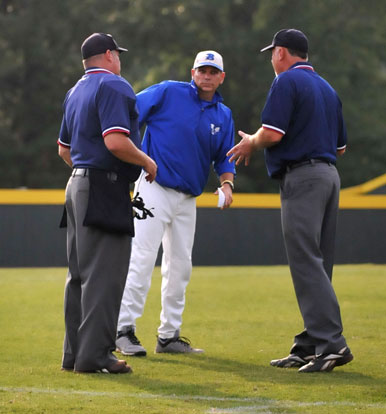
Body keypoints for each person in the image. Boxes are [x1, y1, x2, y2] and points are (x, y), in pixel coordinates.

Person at [227, 29, 353, 373]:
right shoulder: (327, 88)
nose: (271, 58)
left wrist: (250, 142)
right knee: (319, 263)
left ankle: (331, 344)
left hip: (303, 176)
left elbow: (273, 133)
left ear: (282, 52)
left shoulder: (286, 82)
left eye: (273, 52)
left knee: (306, 261)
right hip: (329, 175)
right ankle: (310, 344)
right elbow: (341, 146)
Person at [115, 50, 236, 356]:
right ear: (192, 72)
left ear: (221, 77)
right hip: (154, 188)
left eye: (213, 72)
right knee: (141, 259)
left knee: (180, 267)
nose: (206, 76)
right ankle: (122, 329)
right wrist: (135, 156)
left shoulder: (223, 114)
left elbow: (224, 156)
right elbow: (129, 113)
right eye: (202, 70)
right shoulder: (169, 91)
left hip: (187, 198)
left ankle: (168, 336)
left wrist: (227, 183)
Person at [57, 33, 157, 373]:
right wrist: (145, 161)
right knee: (105, 276)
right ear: (110, 55)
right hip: (103, 186)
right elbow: (115, 141)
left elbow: (64, 150)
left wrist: (86, 173)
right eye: (118, 54)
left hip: (76, 185)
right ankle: (96, 356)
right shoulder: (114, 86)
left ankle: (74, 355)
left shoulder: (74, 91)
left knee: (79, 276)